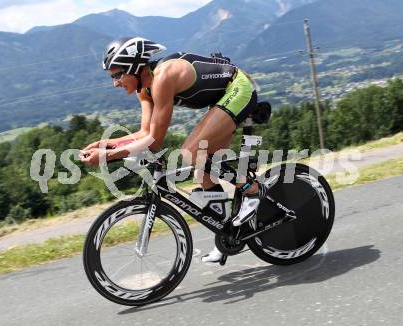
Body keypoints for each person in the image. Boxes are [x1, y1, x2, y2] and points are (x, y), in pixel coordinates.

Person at [81, 37, 266, 263]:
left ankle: (252, 190)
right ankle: (227, 233)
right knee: (202, 172)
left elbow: (155, 141)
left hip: (237, 88)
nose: (115, 83)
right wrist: (107, 145)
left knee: (190, 151)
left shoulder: (162, 78)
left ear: (134, 68)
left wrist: (108, 155)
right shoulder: (144, 89)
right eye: (113, 76)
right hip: (220, 98)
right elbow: (143, 133)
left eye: (118, 75)